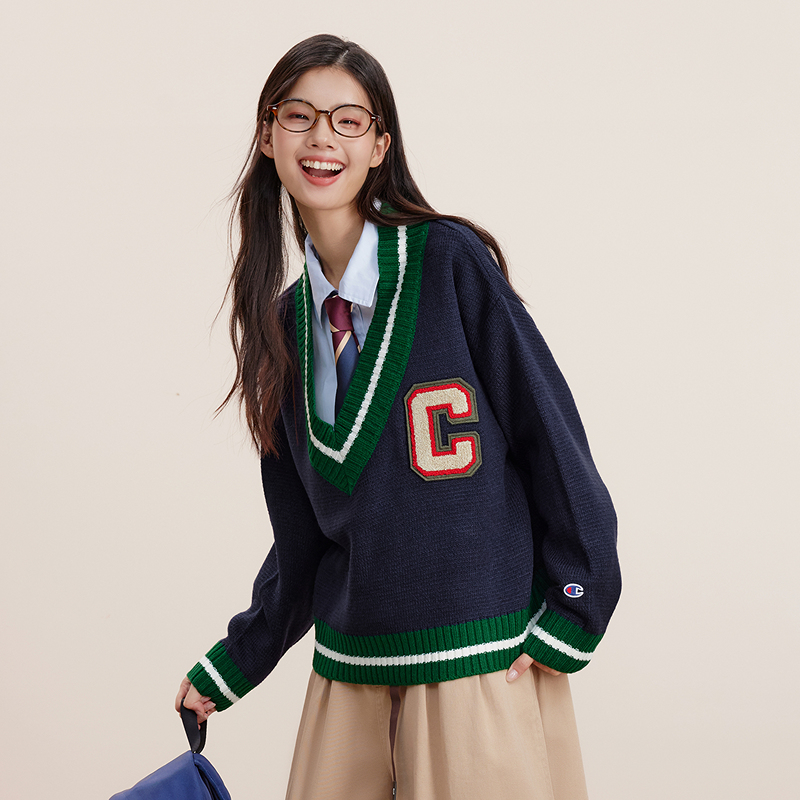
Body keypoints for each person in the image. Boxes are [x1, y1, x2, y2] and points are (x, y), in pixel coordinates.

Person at [175, 33, 621, 800]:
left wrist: (578, 601)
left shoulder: (449, 262)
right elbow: (303, 539)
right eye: (298, 116)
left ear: (380, 146)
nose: (322, 138)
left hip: (476, 665)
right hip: (347, 678)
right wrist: (238, 659)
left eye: (348, 121)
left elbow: (551, 436)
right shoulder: (280, 328)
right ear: (268, 135)